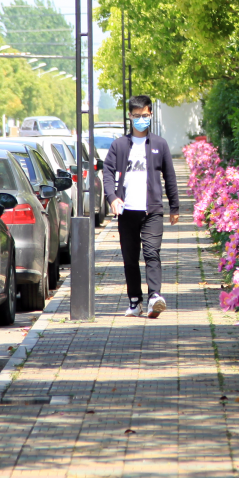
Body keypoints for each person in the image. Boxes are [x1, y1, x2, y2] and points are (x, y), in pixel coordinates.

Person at [102, 95, 180, 318]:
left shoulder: (159, 144)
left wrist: (174, 207)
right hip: (126, 211)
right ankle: (135, 301)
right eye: (136, 116)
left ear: (150, 114)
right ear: (130, 116)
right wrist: (112, 197)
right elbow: (107, 173)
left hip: (152, 210)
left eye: (144, 115)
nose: (140, 119)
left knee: (152, 252)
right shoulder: (119, 145)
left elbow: (170, 177)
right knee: (130, 259)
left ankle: (155, 296)